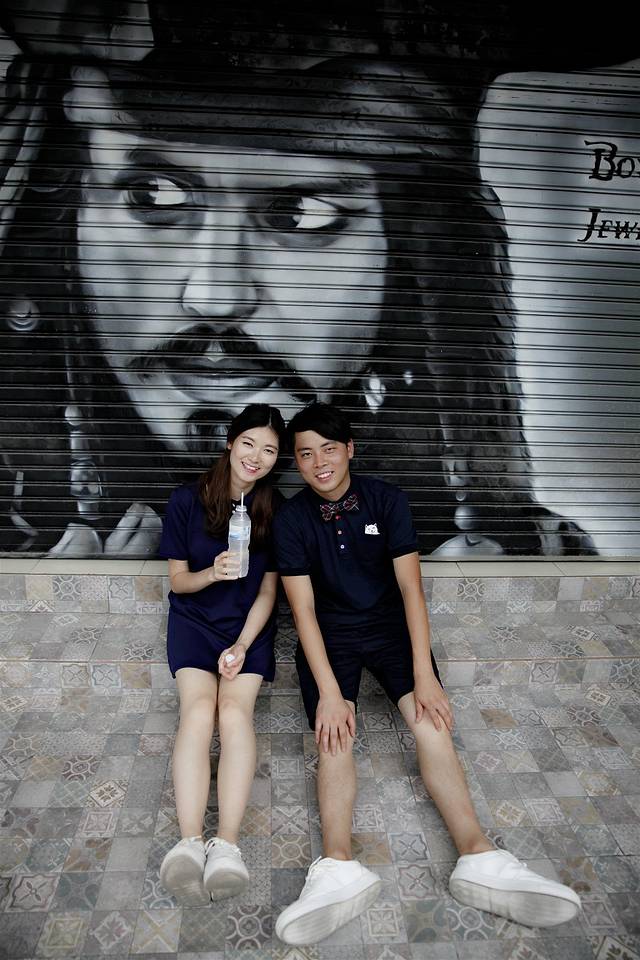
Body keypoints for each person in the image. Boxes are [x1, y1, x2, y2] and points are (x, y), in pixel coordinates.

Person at [0, 6, 597, 558]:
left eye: (301, 214)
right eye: (153, 196)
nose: (215, 297)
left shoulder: (512, 562)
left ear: (410, 264)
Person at [272, 402, 581, 945]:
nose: (319, 462)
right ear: (296, 462)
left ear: (350, 449)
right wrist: (329, 693)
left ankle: (479, 858)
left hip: (391, 628)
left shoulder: (387, 500)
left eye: (329, 449)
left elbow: (412, 590)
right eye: (305, 454)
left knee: (431, 721)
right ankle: (337, 868)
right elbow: (304, 612)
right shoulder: (292, 519)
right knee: (334, 735)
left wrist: (425, 674)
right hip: (332, 635)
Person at [157, 402, 285, 904]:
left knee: (233, 712)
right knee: (198, 710)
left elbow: (268, 592)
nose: (256, 457)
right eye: (248, 443)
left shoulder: (275, 509)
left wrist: (243, 644)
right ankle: (189, 842)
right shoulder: (186, 499)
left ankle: (227, 846)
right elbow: (178, 581)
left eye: (269, 450)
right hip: (193, 622)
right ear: (230, 443)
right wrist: (213, 572)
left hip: (246, 627)